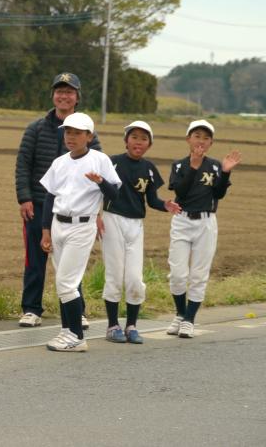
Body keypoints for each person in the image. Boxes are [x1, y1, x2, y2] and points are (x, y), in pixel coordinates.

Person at [15, 72, 101, 329]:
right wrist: (24, 198)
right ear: (53, 95)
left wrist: (97, 212)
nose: (64, 96)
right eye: (59, 91)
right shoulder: (36, 128)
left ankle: (78, 311)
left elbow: (99, 177)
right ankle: (31, 309)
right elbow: (23, 165)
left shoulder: (88, 134)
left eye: (69, 92)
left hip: (72, 208)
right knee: (35, 258)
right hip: (39, 204)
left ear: (77, 97)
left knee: (72, 262)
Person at [39, 113, 121, 352]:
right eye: (68, 132)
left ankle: (77, 336)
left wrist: (100, 182)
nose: (71, 137)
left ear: (89, 136)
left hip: (82, 225)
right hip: (58, 223)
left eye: (77, 133)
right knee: (62, 281)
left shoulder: (100, 160)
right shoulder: (60, 162)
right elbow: (49, 197)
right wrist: (45, 230)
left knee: (67, 282)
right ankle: (67, 330)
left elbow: (115, 195)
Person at [101, 121, 181, 344]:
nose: (138, 142)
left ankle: (132, 326)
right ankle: (112, 325)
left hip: (136, 224)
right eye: (134, 137)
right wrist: (97, 217)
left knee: (135, 278)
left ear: (149, 144)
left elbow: (152, 199)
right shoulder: (112, 163)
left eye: (143, 139)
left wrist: (166, 205)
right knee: (115, 274)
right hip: (112, 219)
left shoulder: (149, 169)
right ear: (126, 140)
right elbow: (98, 191)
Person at [165, 120, 241, 338]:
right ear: (188, 139)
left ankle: (189, 320)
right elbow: (180, 191)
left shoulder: (216, 166)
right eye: (197, 136)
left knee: (198, 275)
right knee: (178, 274)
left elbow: (218, 194)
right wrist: (194, 166)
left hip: (206, 223)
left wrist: (225, 173)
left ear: (211, 143)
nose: (201, 141)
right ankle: (180, 313)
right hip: (182, 220)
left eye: (206, 138)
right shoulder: (179, 165)